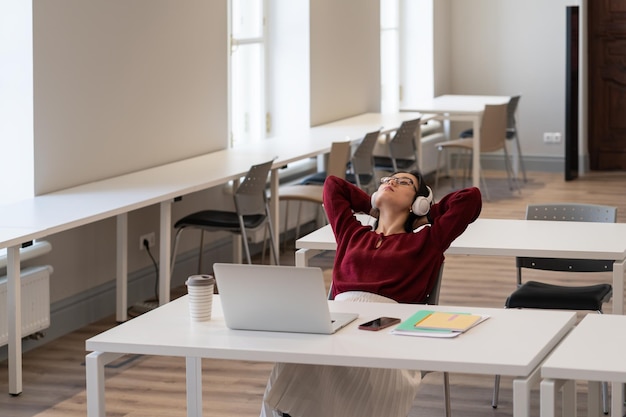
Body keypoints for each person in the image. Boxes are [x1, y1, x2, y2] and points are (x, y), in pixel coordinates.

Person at [260, 170, 482, 417]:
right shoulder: (351, 234)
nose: (391, 183)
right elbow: (333, 186)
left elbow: (470, 198)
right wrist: (373, 203)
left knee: (321, 363)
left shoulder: (426, 241)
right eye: (386, 180)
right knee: (294, 359)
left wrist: (427, 214)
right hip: (340, 323)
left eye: (404, 182)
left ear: (418, 202)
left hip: (387, 330)